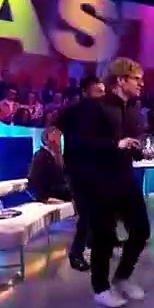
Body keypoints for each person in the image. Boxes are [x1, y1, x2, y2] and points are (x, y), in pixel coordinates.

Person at [61, 59, 153, 308]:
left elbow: (128, 143)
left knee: (141, 230)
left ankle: (122, 278)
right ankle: (101, 288)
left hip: (124, 178)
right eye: (136, 79)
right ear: (121, 80)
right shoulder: (94, 108)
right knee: (104, 236)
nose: (141, 84)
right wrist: (115, 145)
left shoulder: (133, 108)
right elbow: (82, 145)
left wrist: (138, 151)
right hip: (97, 181)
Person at [55, 74, 107, 272]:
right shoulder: (73, 111)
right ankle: (76, 253)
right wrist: (59, 156)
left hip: (96, 168)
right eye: (97, 89)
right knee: (86, 213)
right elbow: (53, 131)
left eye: (102, 89)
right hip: (78, 169)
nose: (101, 92)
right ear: (85, 91)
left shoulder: (104, 111)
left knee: (96, 211)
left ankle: (93, 245)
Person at [27, 126, 71, 204]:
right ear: (49, 138)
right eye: (58, 135)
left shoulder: (57, 157)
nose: (60, 140)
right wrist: (45, 199)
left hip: (64, 198)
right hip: (52, 200)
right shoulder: (41, 157)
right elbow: (33, 183)